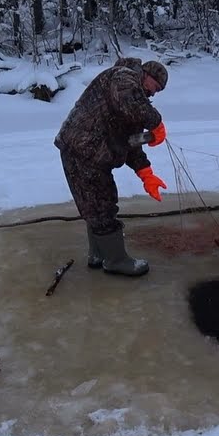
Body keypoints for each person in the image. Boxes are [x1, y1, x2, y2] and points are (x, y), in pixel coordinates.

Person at [54, 57, 169, 277]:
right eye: (156, 87)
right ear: (147, 75)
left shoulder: (134, 100)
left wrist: (147, 173)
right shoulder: (123, 77)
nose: (154, 93)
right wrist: (156, 123)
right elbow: (131, 101)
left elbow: (130, 143)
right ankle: (116, 260)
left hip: (92, 153)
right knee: (103, 205)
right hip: (83, 149)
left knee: (95, 205)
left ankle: (98, 254)